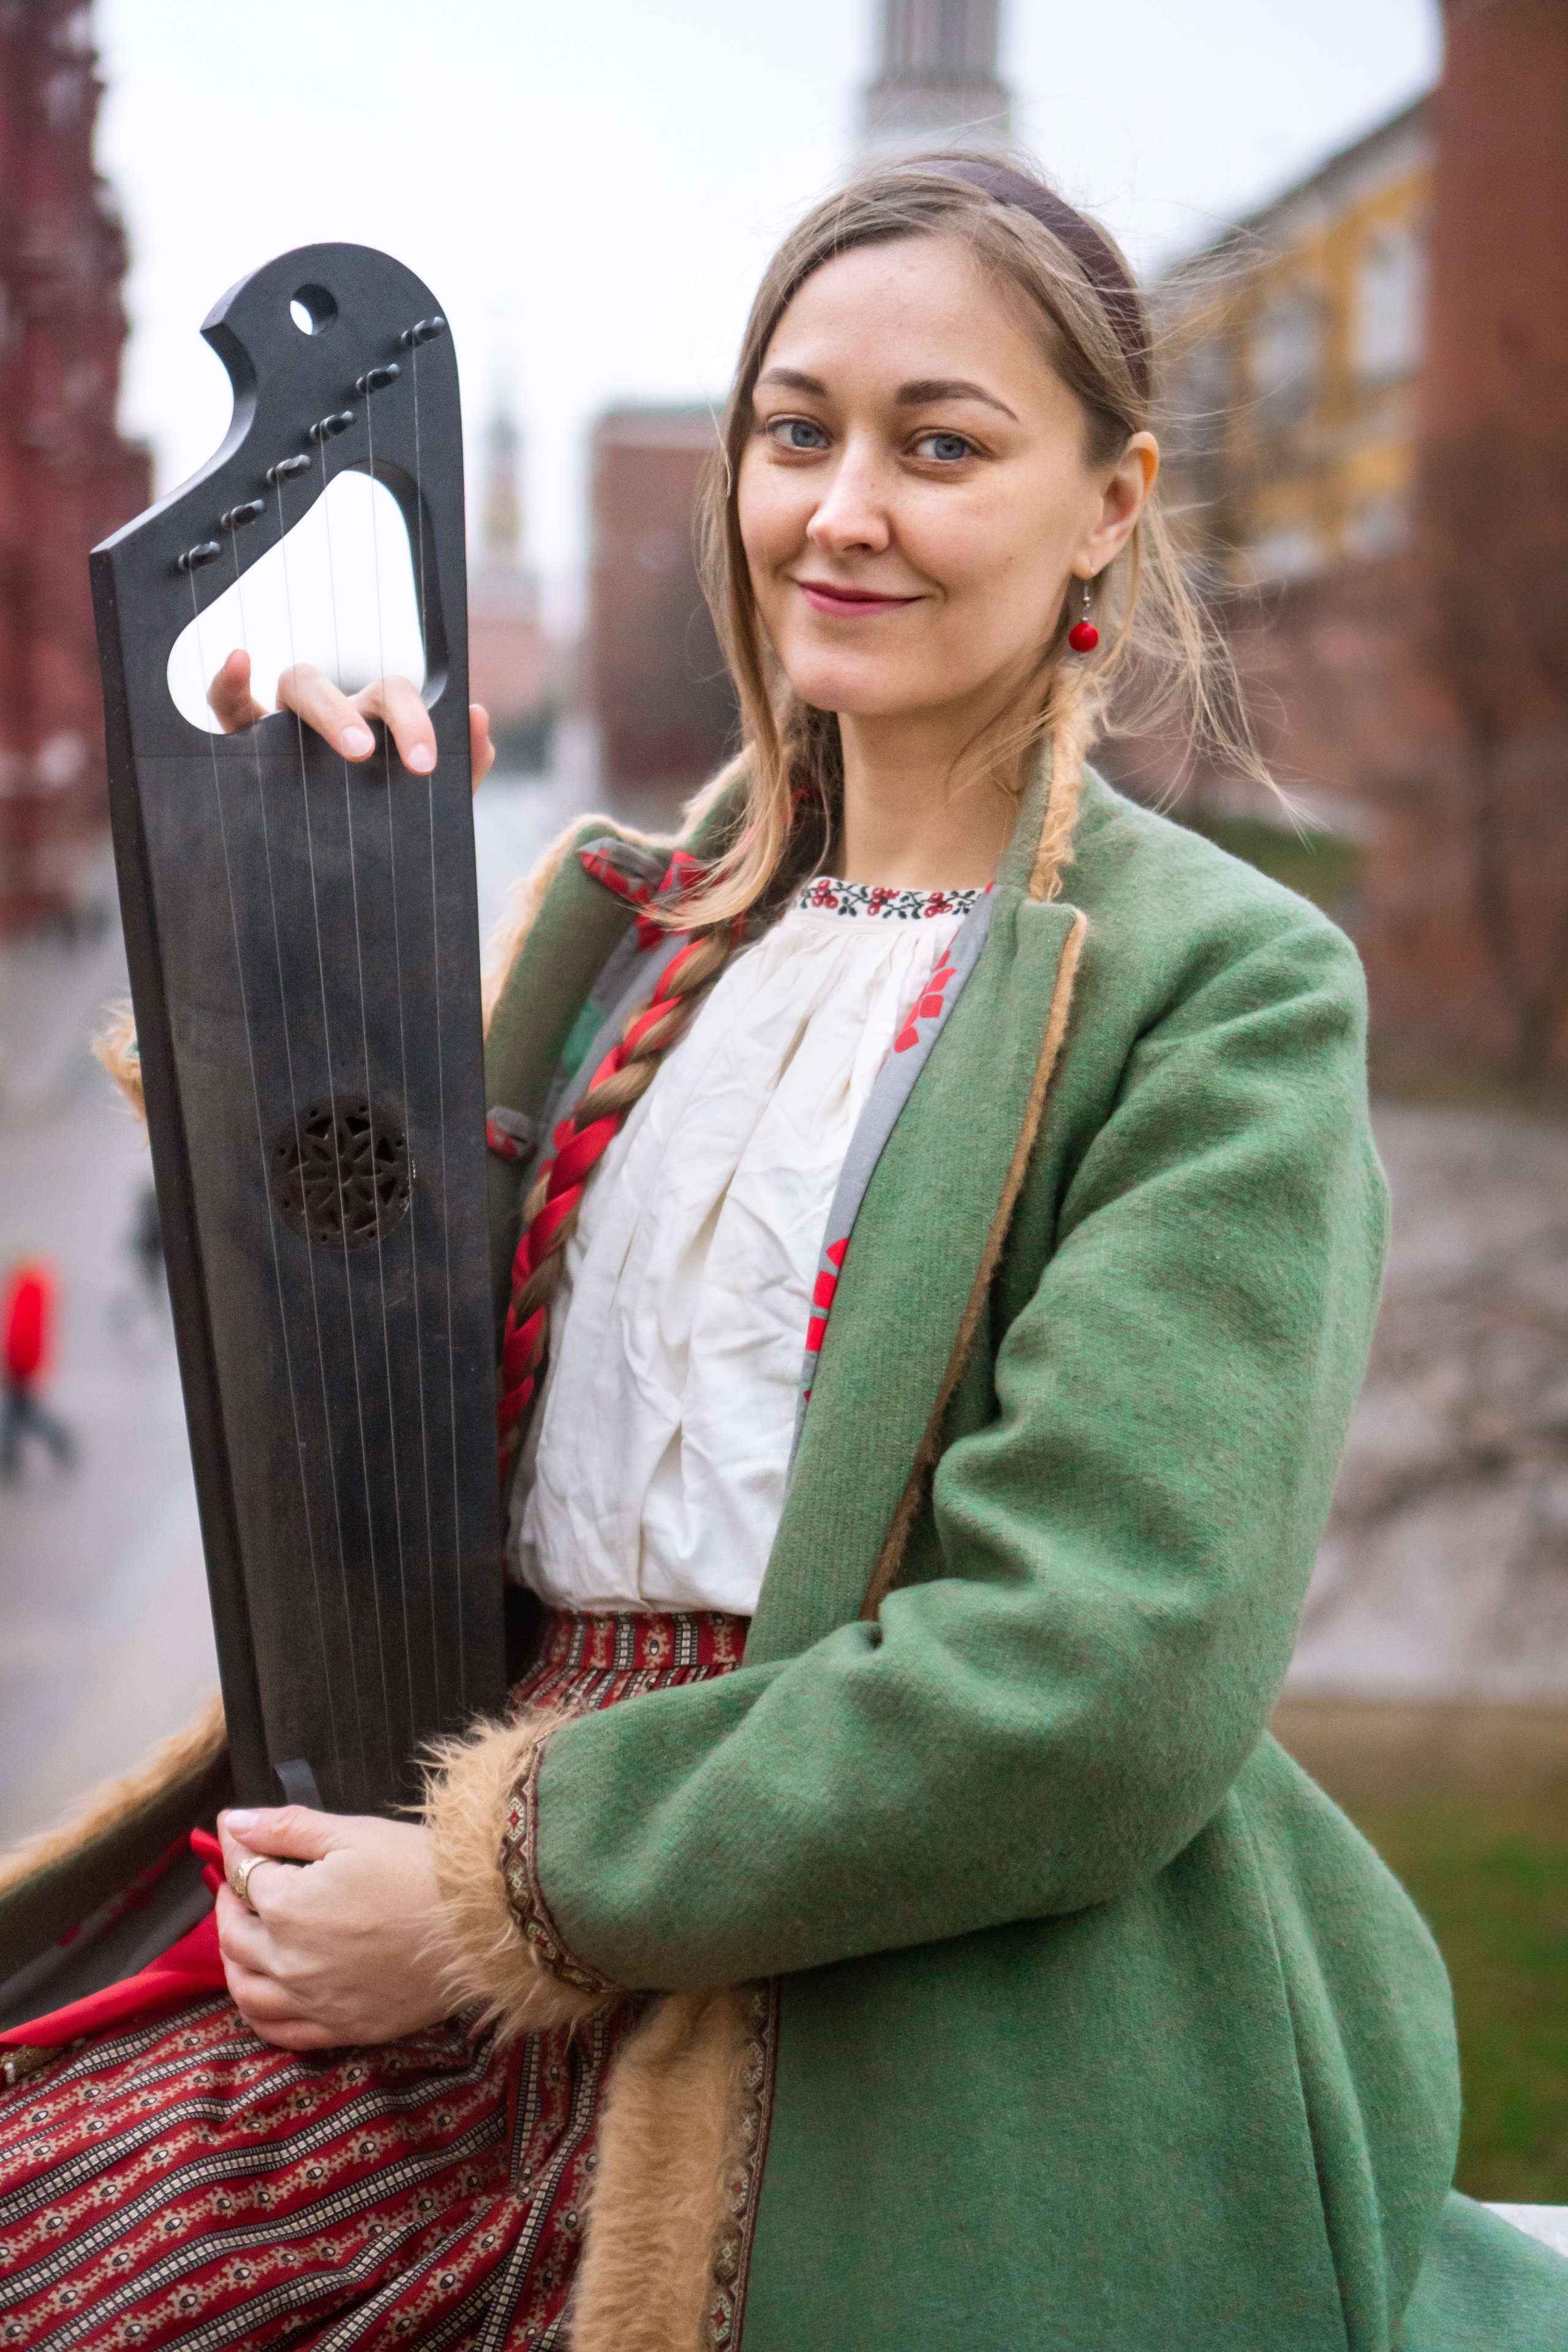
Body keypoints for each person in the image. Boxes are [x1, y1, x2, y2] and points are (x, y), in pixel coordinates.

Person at [1, 155, 1564, 2350]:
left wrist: (481, 1905)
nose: (840, 507)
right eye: (793, 427)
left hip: (884, 1950)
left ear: (1104, 498)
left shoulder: (1215, 987)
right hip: (437, 1870)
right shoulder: (632, 920)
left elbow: (1095, 1677)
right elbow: (378, 1399)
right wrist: (283, 908)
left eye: (938, 443)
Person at [1, 1256, 74, 1484]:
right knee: (20, 1415)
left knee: (22, 1416)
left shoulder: (27, 1291)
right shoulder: (35, 1290)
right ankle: (10, 1458)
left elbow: (21, 1334)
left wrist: (13, 1364)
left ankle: (56, 1440)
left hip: (20, 1367)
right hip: (22, 1365)